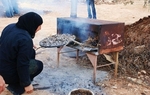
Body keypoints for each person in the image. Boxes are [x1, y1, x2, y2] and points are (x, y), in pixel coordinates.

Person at [0, 12, 43, 95]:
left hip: (1, 67)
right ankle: (17, 86)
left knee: (31, 52)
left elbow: (10, 42)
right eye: (39, 25)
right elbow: (22, 64)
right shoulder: (25, 40)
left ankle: (16, 81)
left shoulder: (10, 27)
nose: (40, 28)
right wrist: (27, 84)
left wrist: (28, 44)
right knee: (38, 65)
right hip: (7, 74)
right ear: (32, 24)